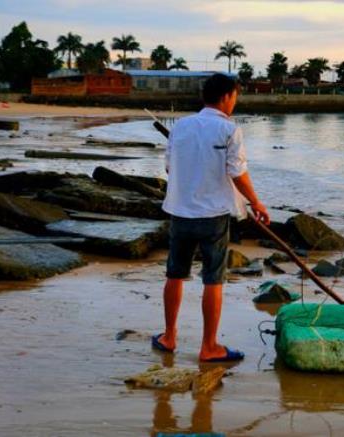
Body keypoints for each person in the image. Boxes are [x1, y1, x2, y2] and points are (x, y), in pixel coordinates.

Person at [152, 73, 270, 362]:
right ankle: (209, 347)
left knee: (174, 275)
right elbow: (237, 172)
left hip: (180, 212)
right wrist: (256, 203)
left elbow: (170, 168)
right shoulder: (229, 130)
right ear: (227, 96)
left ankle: (169, 337)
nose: (235, 103)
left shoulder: (180, 126)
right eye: (235, 97)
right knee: (213, 280)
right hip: (213, 216)